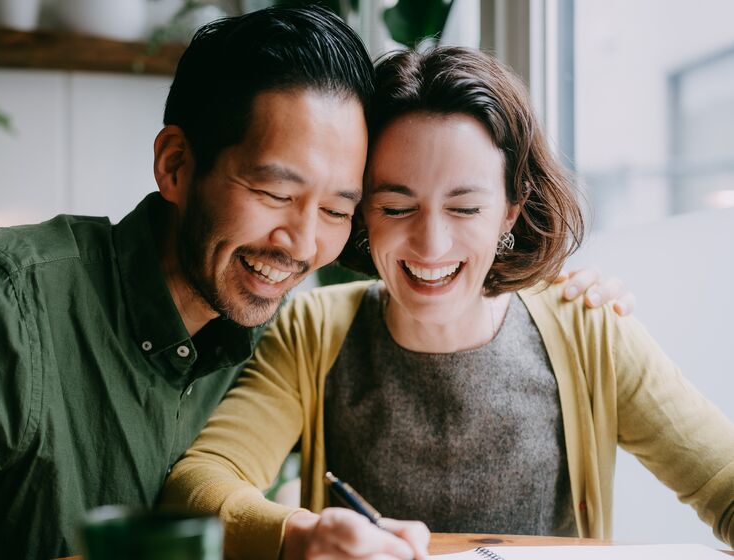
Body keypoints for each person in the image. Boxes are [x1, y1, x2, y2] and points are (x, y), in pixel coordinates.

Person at [0, 8, 624, 558]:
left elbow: (437, 268)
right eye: (274, 192)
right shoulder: (11, 295)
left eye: (338, 208)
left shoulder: (292, 324)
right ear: (177, 165)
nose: (301, 241)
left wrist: (565, 300)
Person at [161, 47, 734, 560]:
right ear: (362, 214)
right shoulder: (313, 330)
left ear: (510, 209)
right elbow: (201, 481)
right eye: (396, 207)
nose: (431, 245)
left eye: (464, 208)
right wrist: (298, 536)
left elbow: (723, 481)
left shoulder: (588, 328)